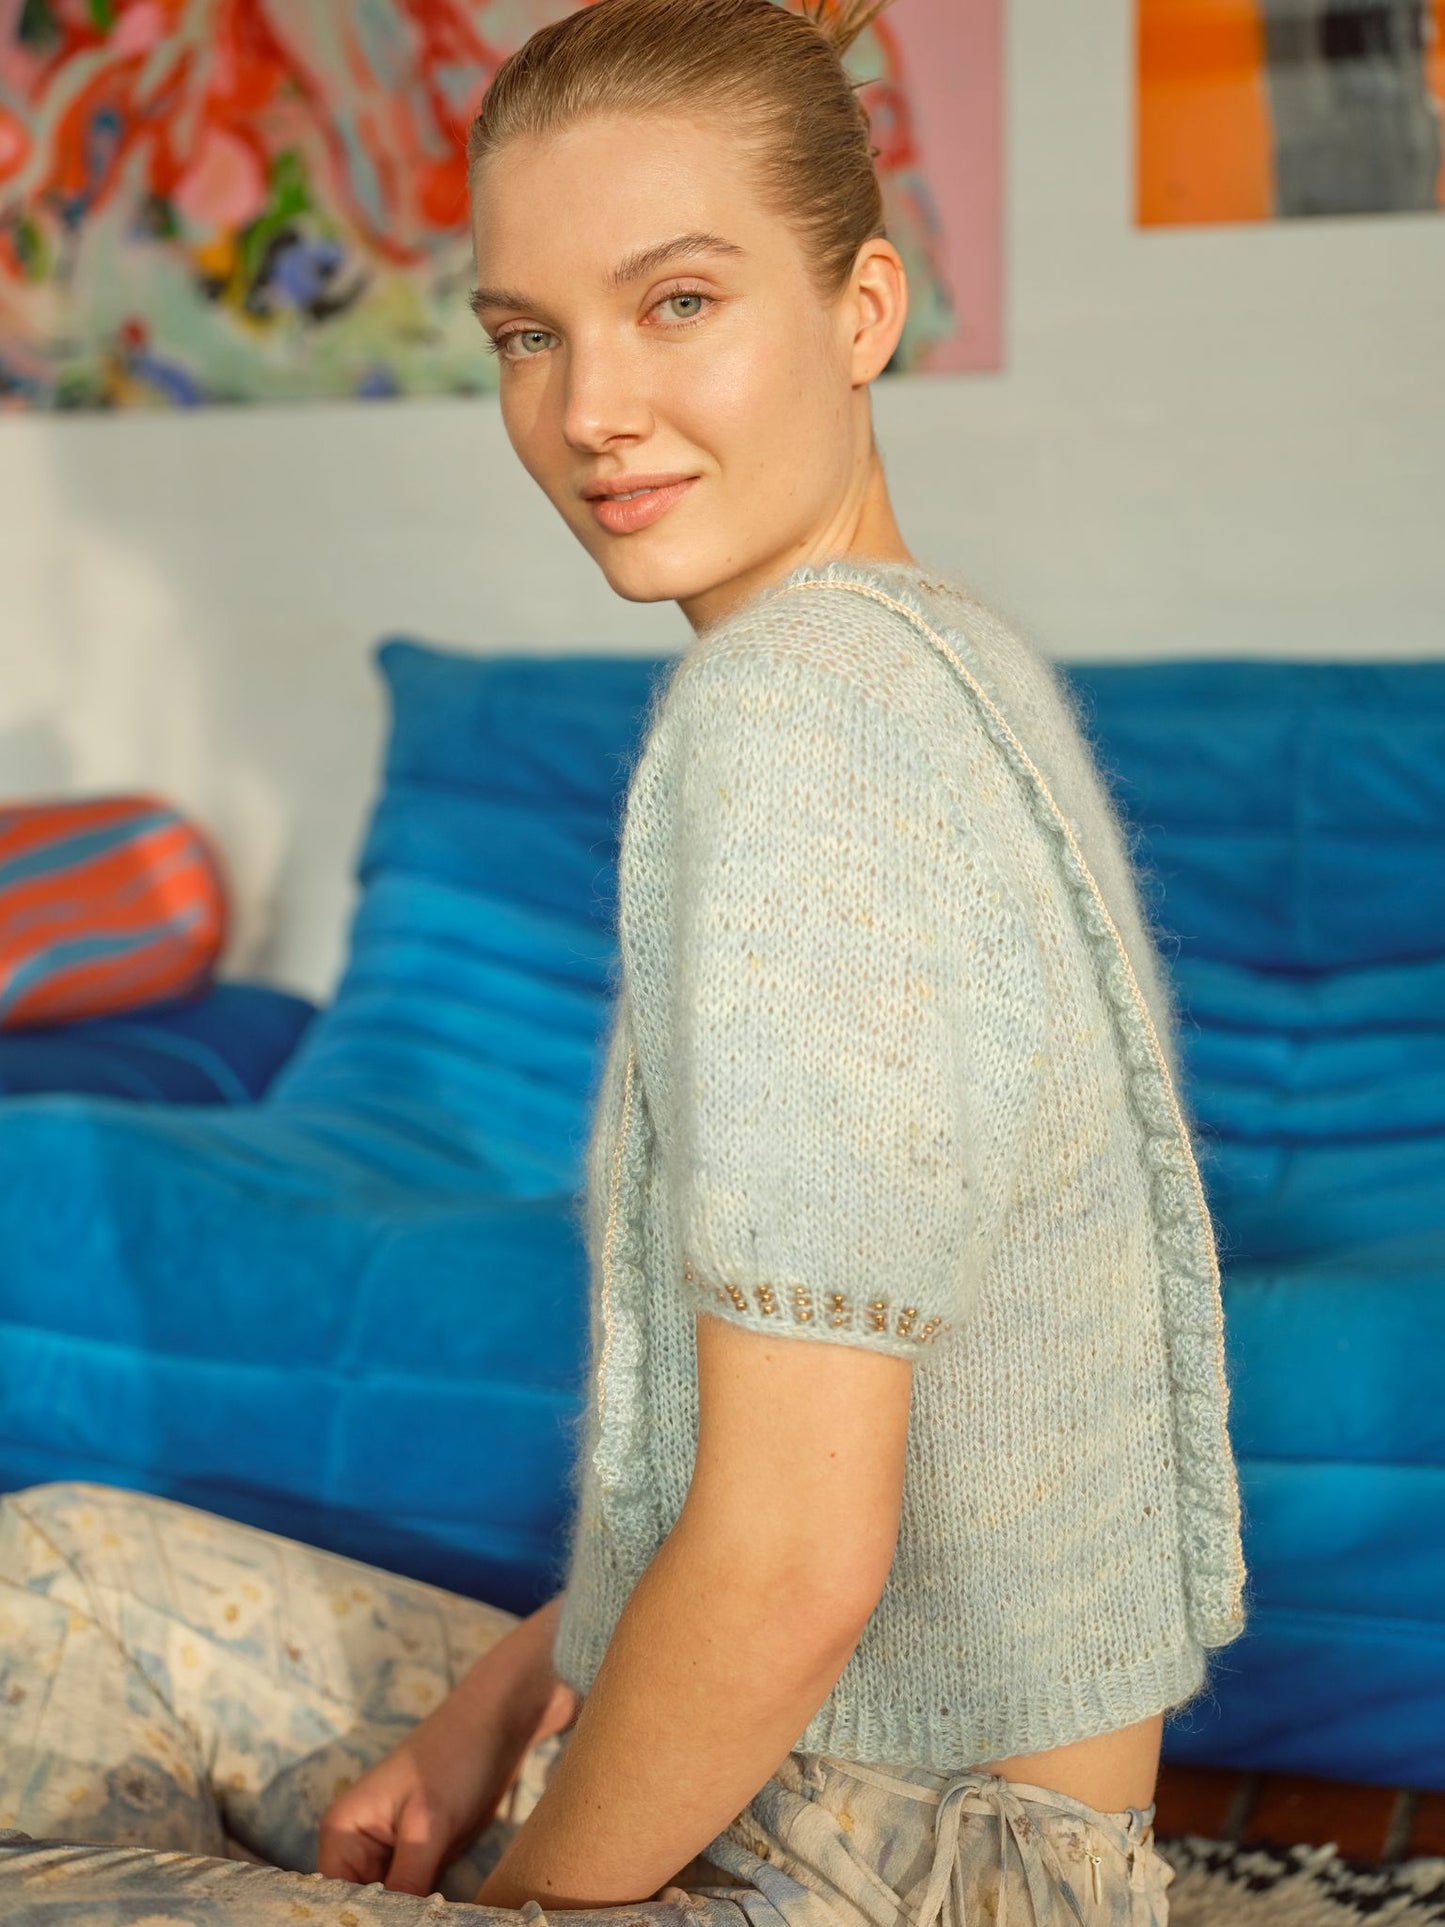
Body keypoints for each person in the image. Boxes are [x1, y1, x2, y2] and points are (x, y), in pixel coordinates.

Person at [0, 1, 1247, 1922]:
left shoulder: (792, 722)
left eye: (676, 302)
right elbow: (817, 1468)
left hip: (881, 1868)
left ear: (860, 309)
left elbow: (794, 1560)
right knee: (64, 1576)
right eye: (528, 333)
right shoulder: (948, 659)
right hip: (981, 1835)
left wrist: (513, 1903)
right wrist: (494, 1709)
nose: (587, 407)